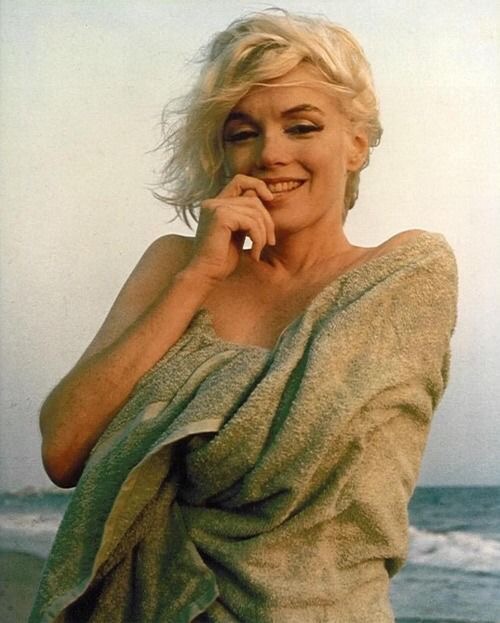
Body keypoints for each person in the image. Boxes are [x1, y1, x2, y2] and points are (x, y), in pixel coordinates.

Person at [31, 9, 457, 623]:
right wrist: (197, 278)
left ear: (356, 144)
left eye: (302, 126)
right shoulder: (175, 265)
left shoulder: (403, 275)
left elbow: (296, 473)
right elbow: (64, 449)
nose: (270, 154)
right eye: (242, 133)